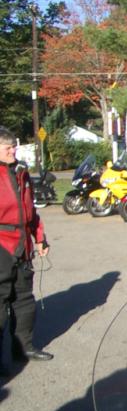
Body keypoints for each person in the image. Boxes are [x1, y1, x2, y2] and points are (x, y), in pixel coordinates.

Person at [0, 127, 51, 369]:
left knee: (24, 300)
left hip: (22, 243)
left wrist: (39, 237)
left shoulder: (21, 172)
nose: (13, 152)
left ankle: (24, 347)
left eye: (14, 147)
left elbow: (30, 210)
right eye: (7, 148)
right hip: (2, 243)